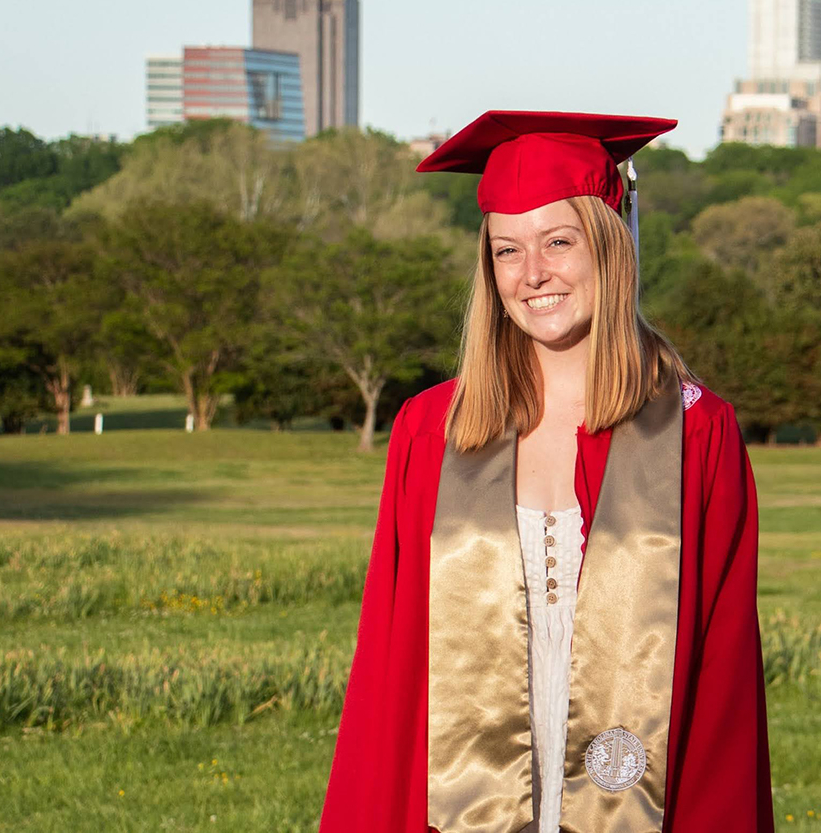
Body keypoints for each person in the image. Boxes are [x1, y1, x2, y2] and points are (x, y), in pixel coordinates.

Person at [320, 111, 773, 833]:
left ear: (611, 244)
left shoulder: (695, 431)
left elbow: (722, 684)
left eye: (558, 242)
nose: (532, 275)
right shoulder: (430, 431)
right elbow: (390, 667)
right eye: (507, 251)